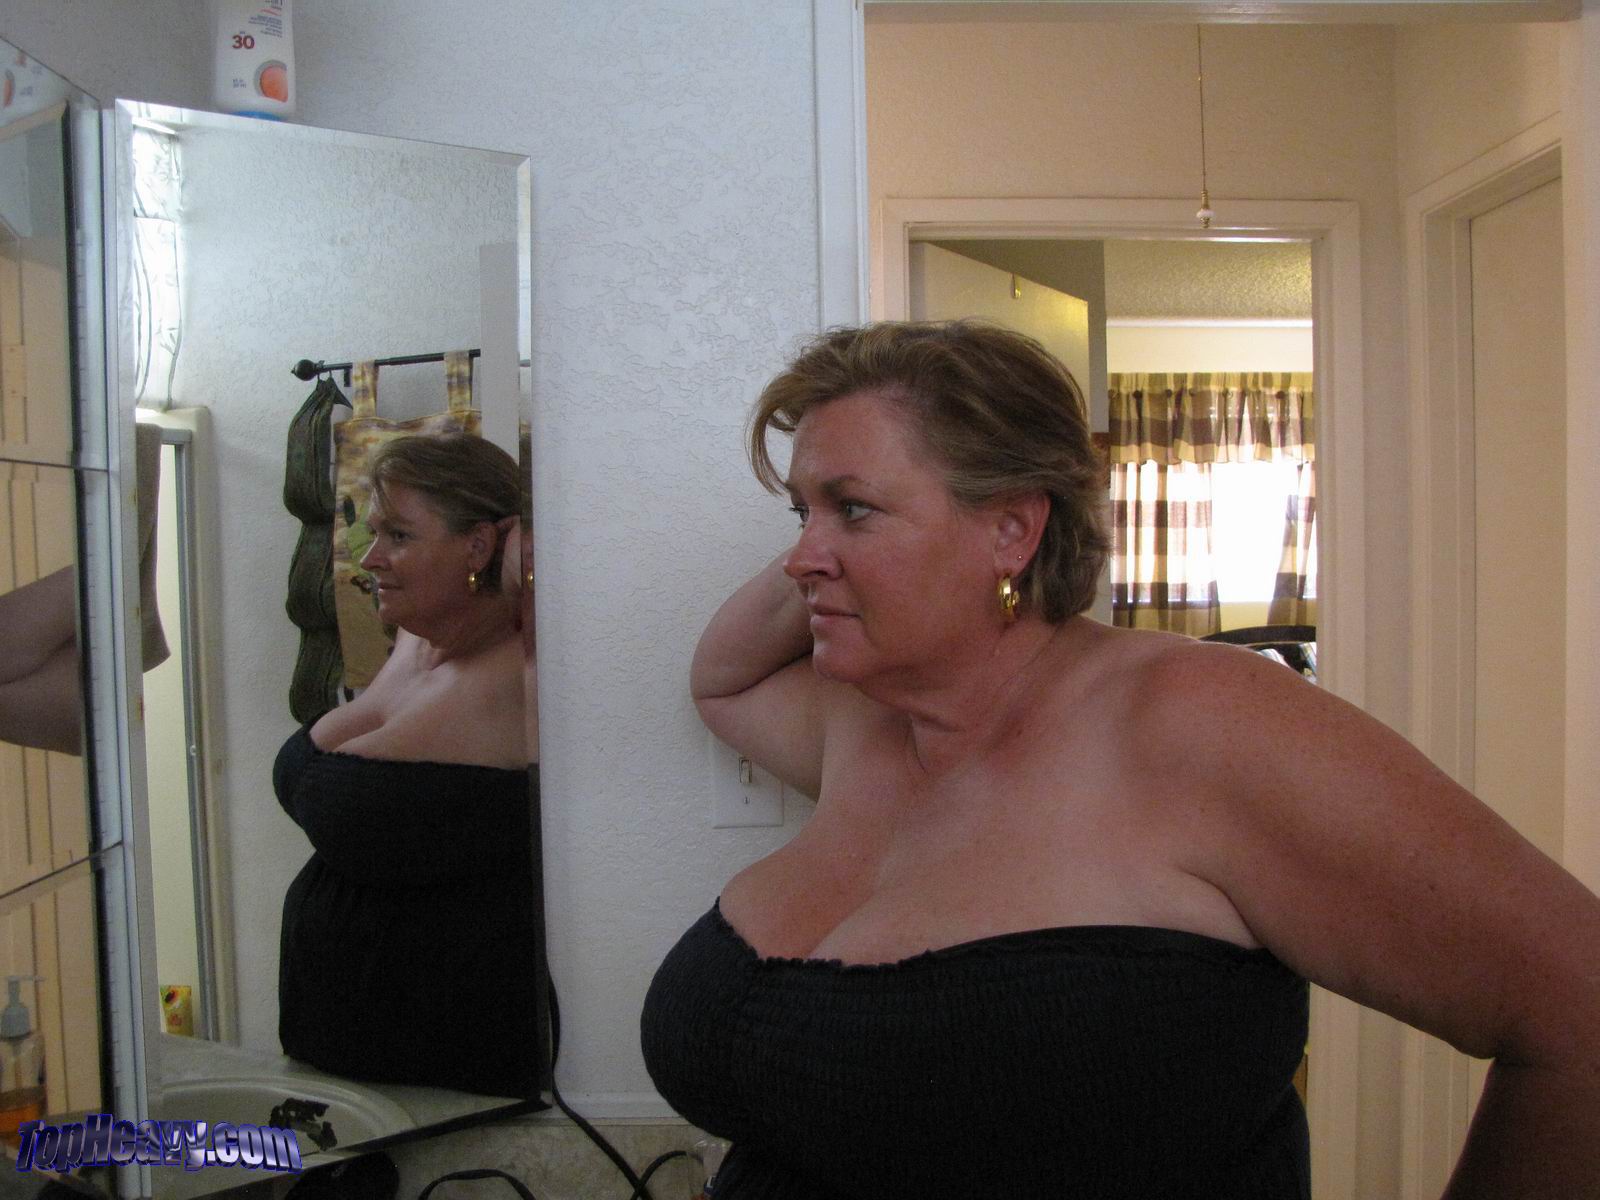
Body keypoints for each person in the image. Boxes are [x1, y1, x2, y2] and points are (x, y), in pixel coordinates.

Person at [640, 321, 1600, 1199]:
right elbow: (721, 682)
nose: (799, 557)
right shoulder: (866, 718)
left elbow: (1580, 1007)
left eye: (854, 508)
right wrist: (835, 524)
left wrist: (839, 535)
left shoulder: (1198, 721)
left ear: (1013, 529)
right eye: (797, 515)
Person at [275, 432, 544, 1097]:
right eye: (374, 533)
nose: (371, 559)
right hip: (338, 1058)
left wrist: (526, 559)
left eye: (398, 536)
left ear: (478, 547)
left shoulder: (530, 670)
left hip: (447, 1069)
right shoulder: (414, 642)